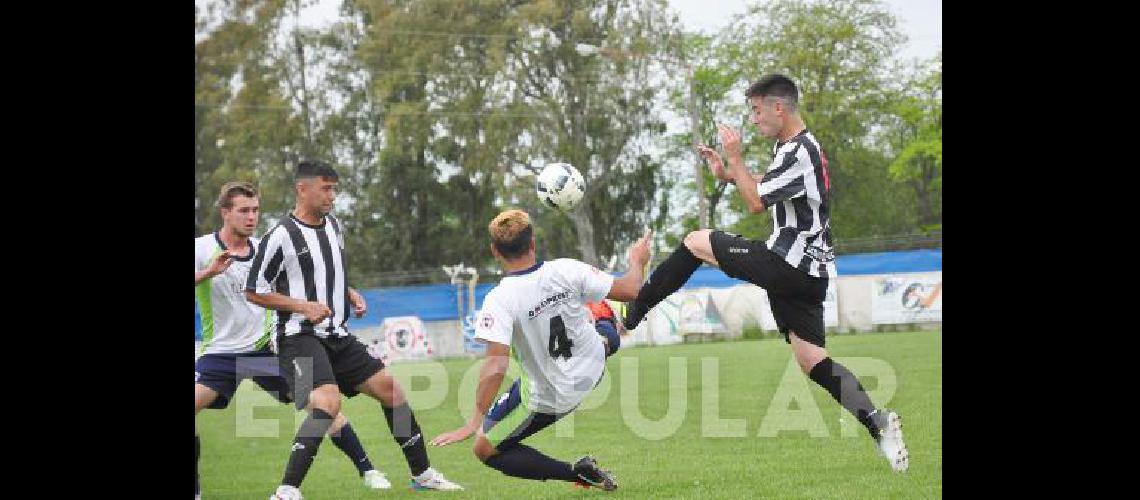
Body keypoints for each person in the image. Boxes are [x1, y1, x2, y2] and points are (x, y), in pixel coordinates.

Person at [621, 74, 909, 472]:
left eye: (756, 110)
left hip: (788, 264)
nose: (753, 120)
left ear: (779, 107)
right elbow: (765, 187)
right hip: (808, 274)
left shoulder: (800, 151)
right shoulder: (792, 148)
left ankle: (632, 314)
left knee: (694, 242)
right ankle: (877, 422)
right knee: (813, 361)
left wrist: (736, 158)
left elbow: (756, 203)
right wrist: (728, 174)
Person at [245, 162, 463, 500]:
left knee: (392, 391)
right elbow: (254, 290)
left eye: (335, 188)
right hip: (296, 337)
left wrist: (349, 292)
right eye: (326, 188)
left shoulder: (334, 225)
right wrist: (304, 307)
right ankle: (286, 491)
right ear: (303, 189)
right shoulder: (281, 236)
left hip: (337, 334)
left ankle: (423, 474)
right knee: (326, 403)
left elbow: (330, 271)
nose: (333, 195)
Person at [429, 209, 651, 490]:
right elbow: (632, 288)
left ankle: (577, 474)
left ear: (495, 252)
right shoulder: (568, 269)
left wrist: (474, 419)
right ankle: (606, 324)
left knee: (484, 448)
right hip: (591, 369)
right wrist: (637, 260)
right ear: (532, 243)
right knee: (600, 329)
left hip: (549, 397)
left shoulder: (499, 300)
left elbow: (496, 366)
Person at [195, 181, 390, 499]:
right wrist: (208, 273)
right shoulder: (202, 249)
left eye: (256, 210)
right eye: (244, 210)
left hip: (267, 348)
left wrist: (348, 292)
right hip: (220, 353)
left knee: (323, 406)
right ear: (225, 213)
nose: (251, 217)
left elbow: (311, 280)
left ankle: (368, 470)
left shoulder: (267, 248)